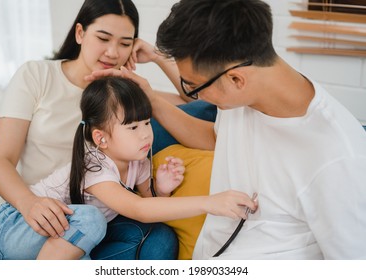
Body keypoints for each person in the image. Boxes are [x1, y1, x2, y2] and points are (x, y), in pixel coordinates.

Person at [86, 0, 366, 259]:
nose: (191, 94)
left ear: (236, 79)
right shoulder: (242, 97)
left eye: (192, 86)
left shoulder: (338, 158)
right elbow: (215, 139)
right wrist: (152, 100)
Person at [0, 0, 213, 260]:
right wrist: (29, 203)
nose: (113, 52)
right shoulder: (36, 75)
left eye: (125, 43)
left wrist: (157, 56)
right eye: (103, 38)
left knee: (160, 241)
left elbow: (201, 101)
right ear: (80, 33)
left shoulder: (123, 95)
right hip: (20, 212)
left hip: (82, 216)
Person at [0, 76, 254, 260]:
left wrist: (160, 190)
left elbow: (148, 207)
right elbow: (137, 208)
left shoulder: (138, 162)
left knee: (86, 244)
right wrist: (210, 202)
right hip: (16, 228)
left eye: (147, 123)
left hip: (59, 240)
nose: (146, 135)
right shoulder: (95, 166)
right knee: (91, 221)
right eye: (133, 128)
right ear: (100, 138)